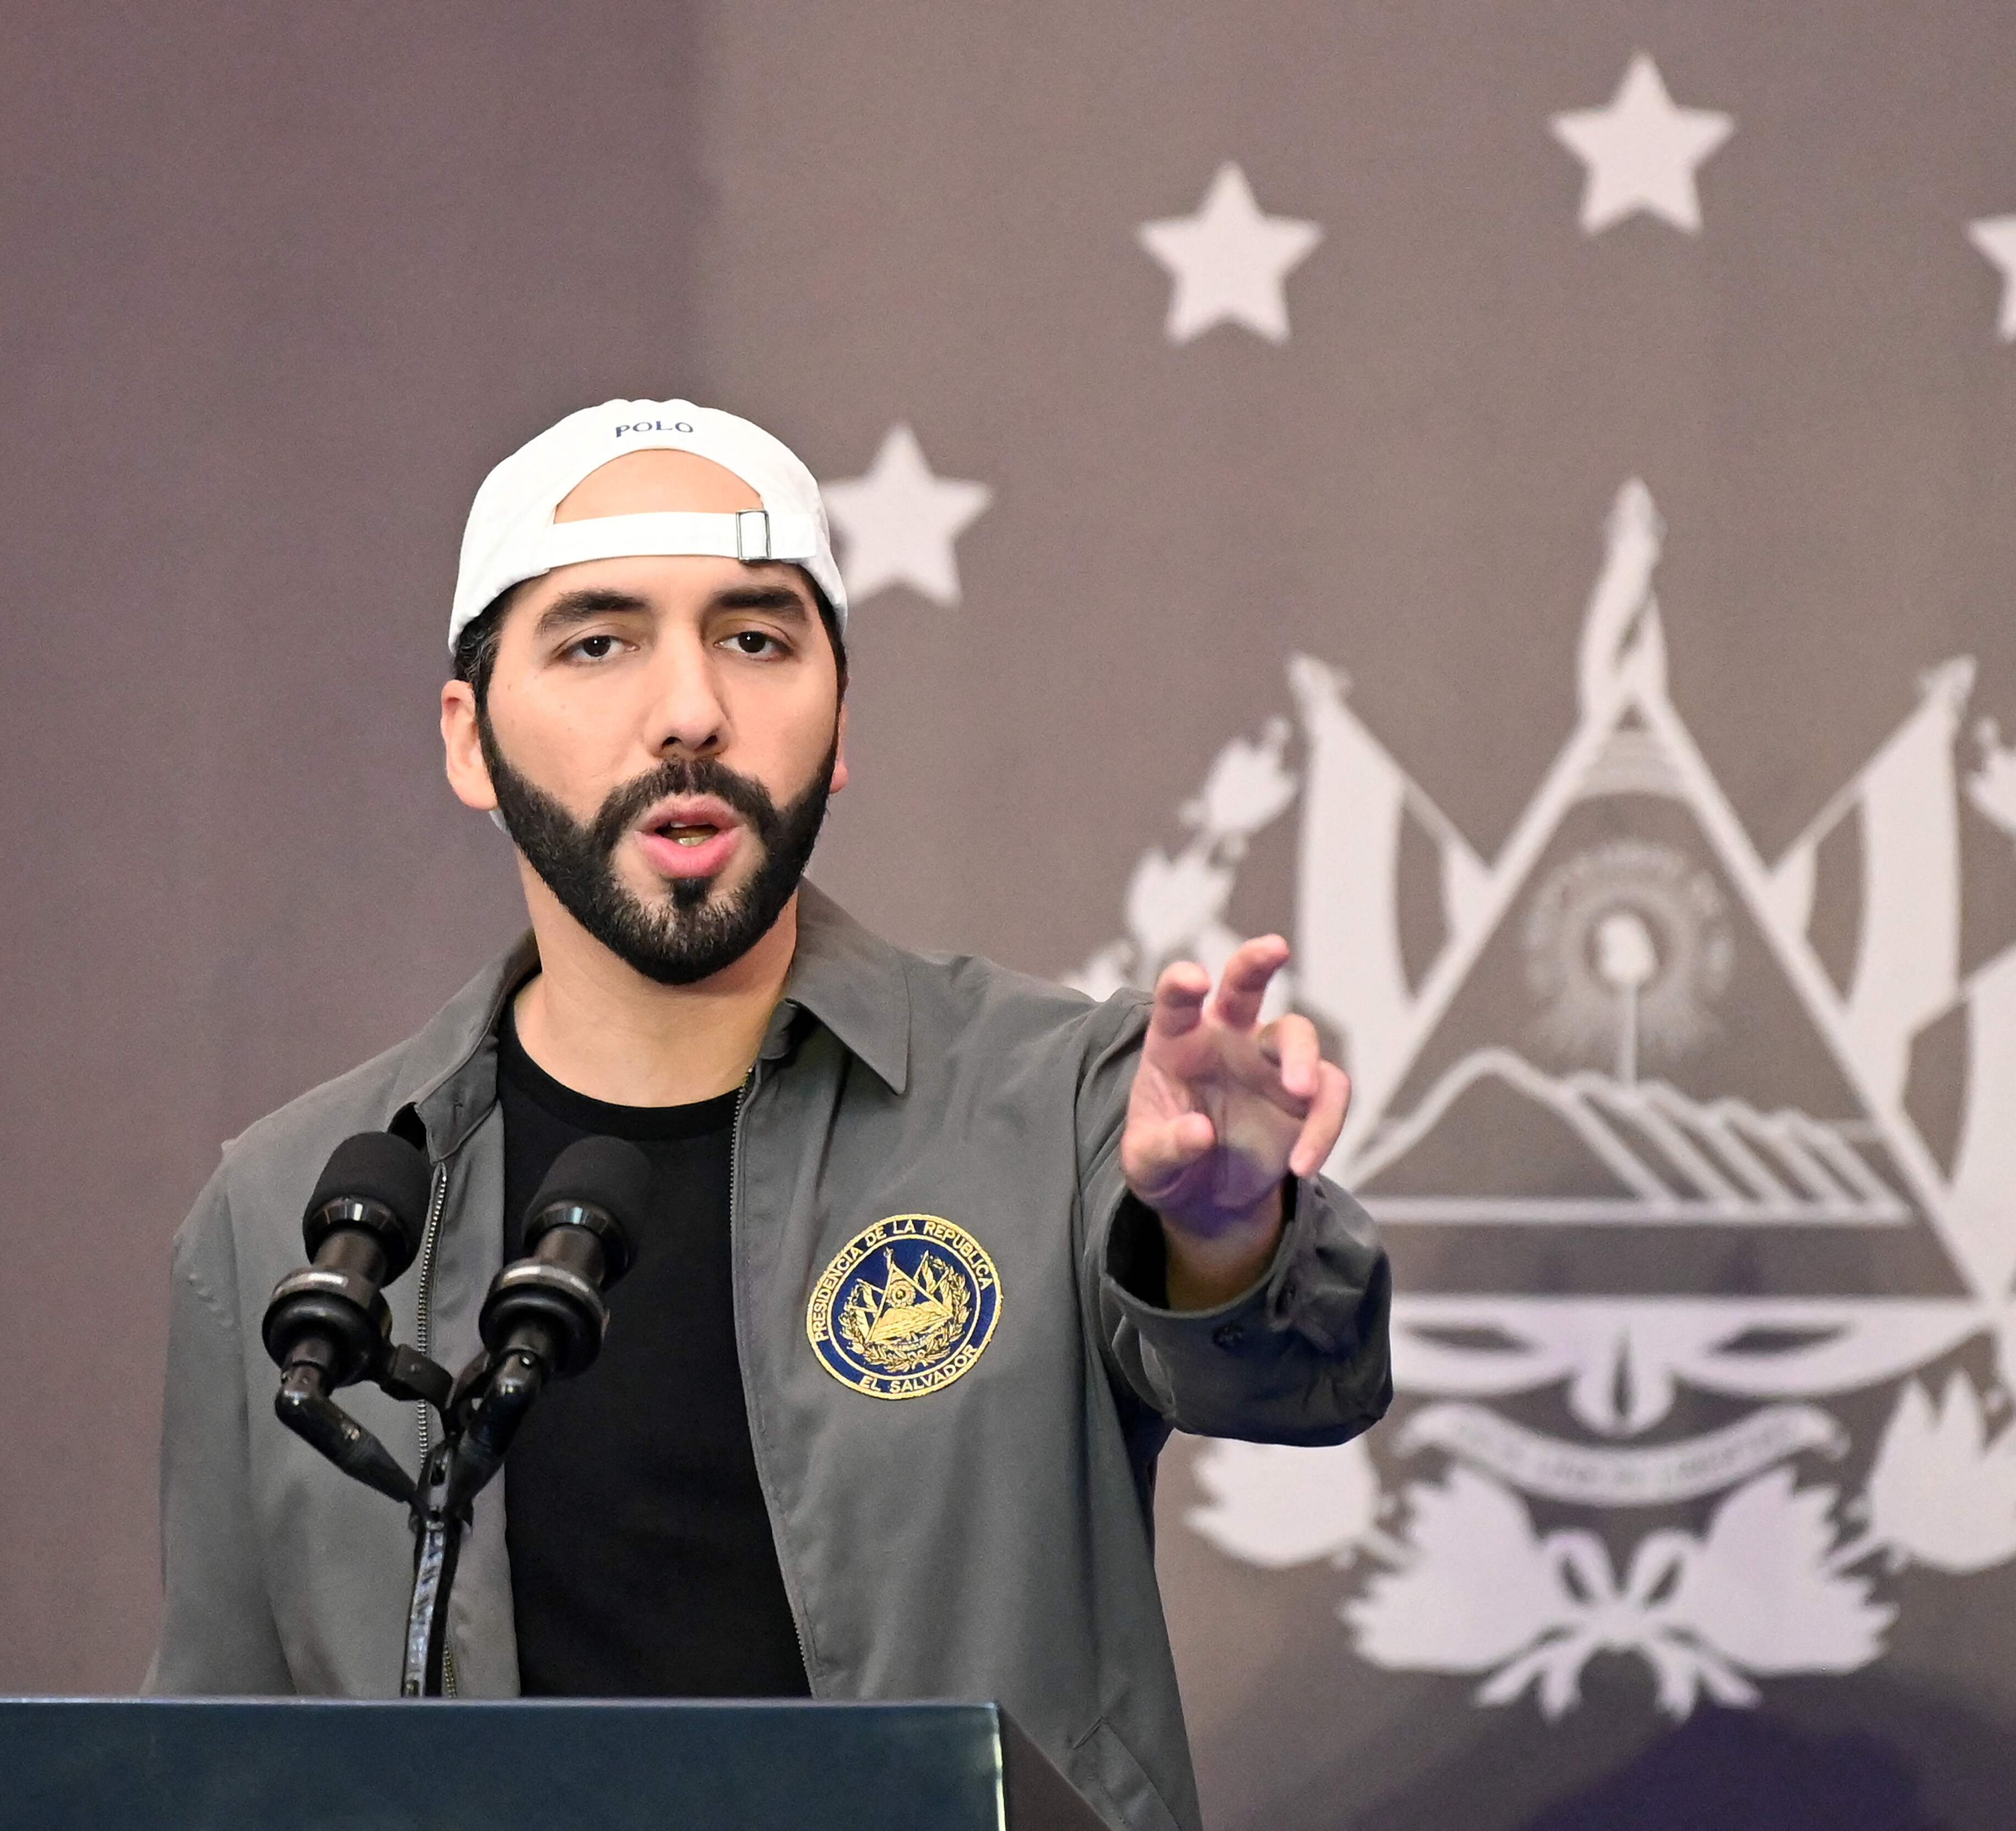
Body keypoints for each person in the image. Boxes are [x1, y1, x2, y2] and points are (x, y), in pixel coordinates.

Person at [147, 399, 1392, 1831]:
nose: (691, 711)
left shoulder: (1063, 1096)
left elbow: (1298, 1379)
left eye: (754, 639)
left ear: (840, 723)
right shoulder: (288, 1209)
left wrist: (1223, 1232)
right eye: (599, 643)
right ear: (469, 739)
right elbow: (206, 1764)